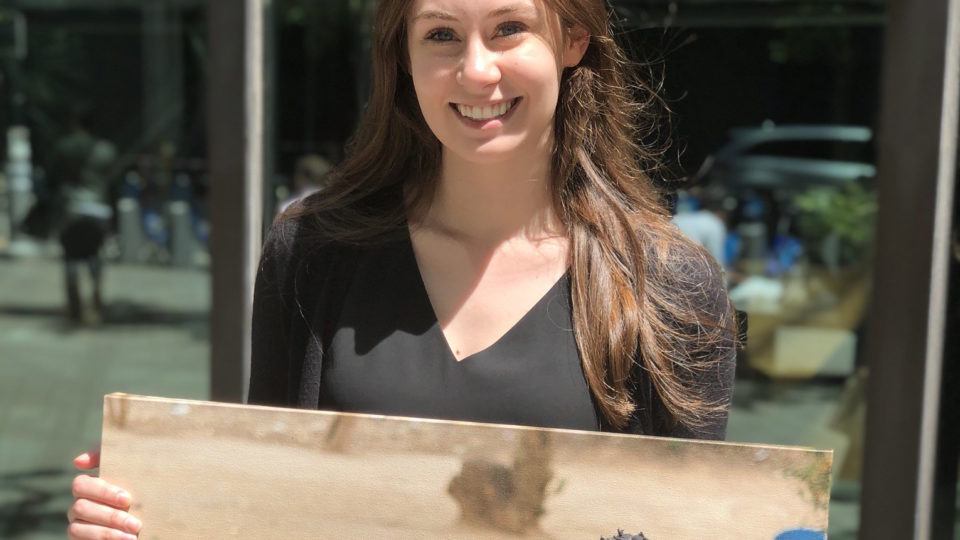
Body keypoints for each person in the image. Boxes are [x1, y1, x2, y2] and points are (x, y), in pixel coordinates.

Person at [67, 0, 738, 537]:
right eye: (441, 34)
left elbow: (695, 521)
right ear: (404, 57)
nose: (477, 70)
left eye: (509, 29)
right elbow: (260, 508)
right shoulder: (313, 253)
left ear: (573, 39)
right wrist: (141, 517)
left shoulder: (671, 289)